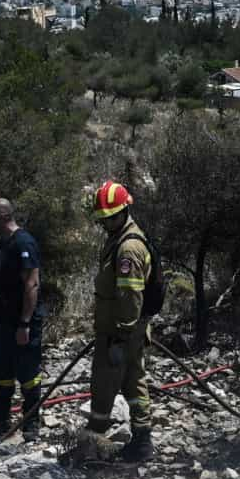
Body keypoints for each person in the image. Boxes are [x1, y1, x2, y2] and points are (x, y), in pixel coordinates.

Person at [84, 180, 155, 462]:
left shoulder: (128, 249)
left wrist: (120, 336)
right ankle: (142, 441)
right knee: (134, 383)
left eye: (110, 218)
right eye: (102, 219)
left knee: (104, 384)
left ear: (124, 211)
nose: (105, 223)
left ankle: (92, 446)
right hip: (127, 331)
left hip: (120, 332)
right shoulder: (120, 238)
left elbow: (130, 295)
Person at [0, 197, 46, 436]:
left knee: (28, 373)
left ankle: (31, 423)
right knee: (1, 371)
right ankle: (0, 419)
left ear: (2, 216)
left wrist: (25, 323)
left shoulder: (23, 243)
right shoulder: (2, 243)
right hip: (2, 320)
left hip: (21, 321)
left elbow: (32, 284)